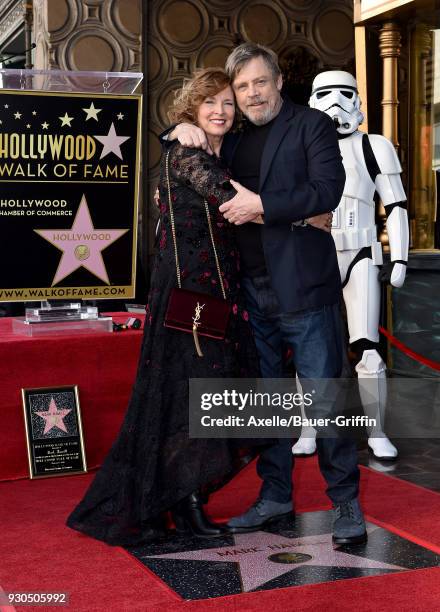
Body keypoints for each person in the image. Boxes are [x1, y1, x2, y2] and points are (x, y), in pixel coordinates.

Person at [166, 43, 366, 545]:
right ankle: (275, 494)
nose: (251, 94)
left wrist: (262, 205)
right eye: (242, 87)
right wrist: (176, 130)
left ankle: (346, 503)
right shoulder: (229, 138)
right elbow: (189, 157)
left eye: (260, 82)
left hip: (305, 289)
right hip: (249, 293)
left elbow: (326, 191)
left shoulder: (312, 126)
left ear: (277, 80)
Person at [66, 68, 269, 546]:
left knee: (203, 396)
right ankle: (182, 502)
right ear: (191, 111)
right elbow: (226, 200)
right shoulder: (188, 154)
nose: (220, 110)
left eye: (227, 102)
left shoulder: (209, 150)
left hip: (215, 295)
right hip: (190, 298)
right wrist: (306, 211)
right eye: (209, 103)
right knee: (189, 397)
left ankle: (183, 498)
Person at [293, 70, 409, 460]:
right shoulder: (300, 147)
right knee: (309, 349)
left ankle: (376, 430)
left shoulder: (373, 146)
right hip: (314, 255)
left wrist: (401, 258)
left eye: (345, 93)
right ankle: (309, 427)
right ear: (312, 100)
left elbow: (395, 206)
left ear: (358, 100)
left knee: (369, 349)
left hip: (360, 253)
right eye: (326, 93)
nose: (336, 102)